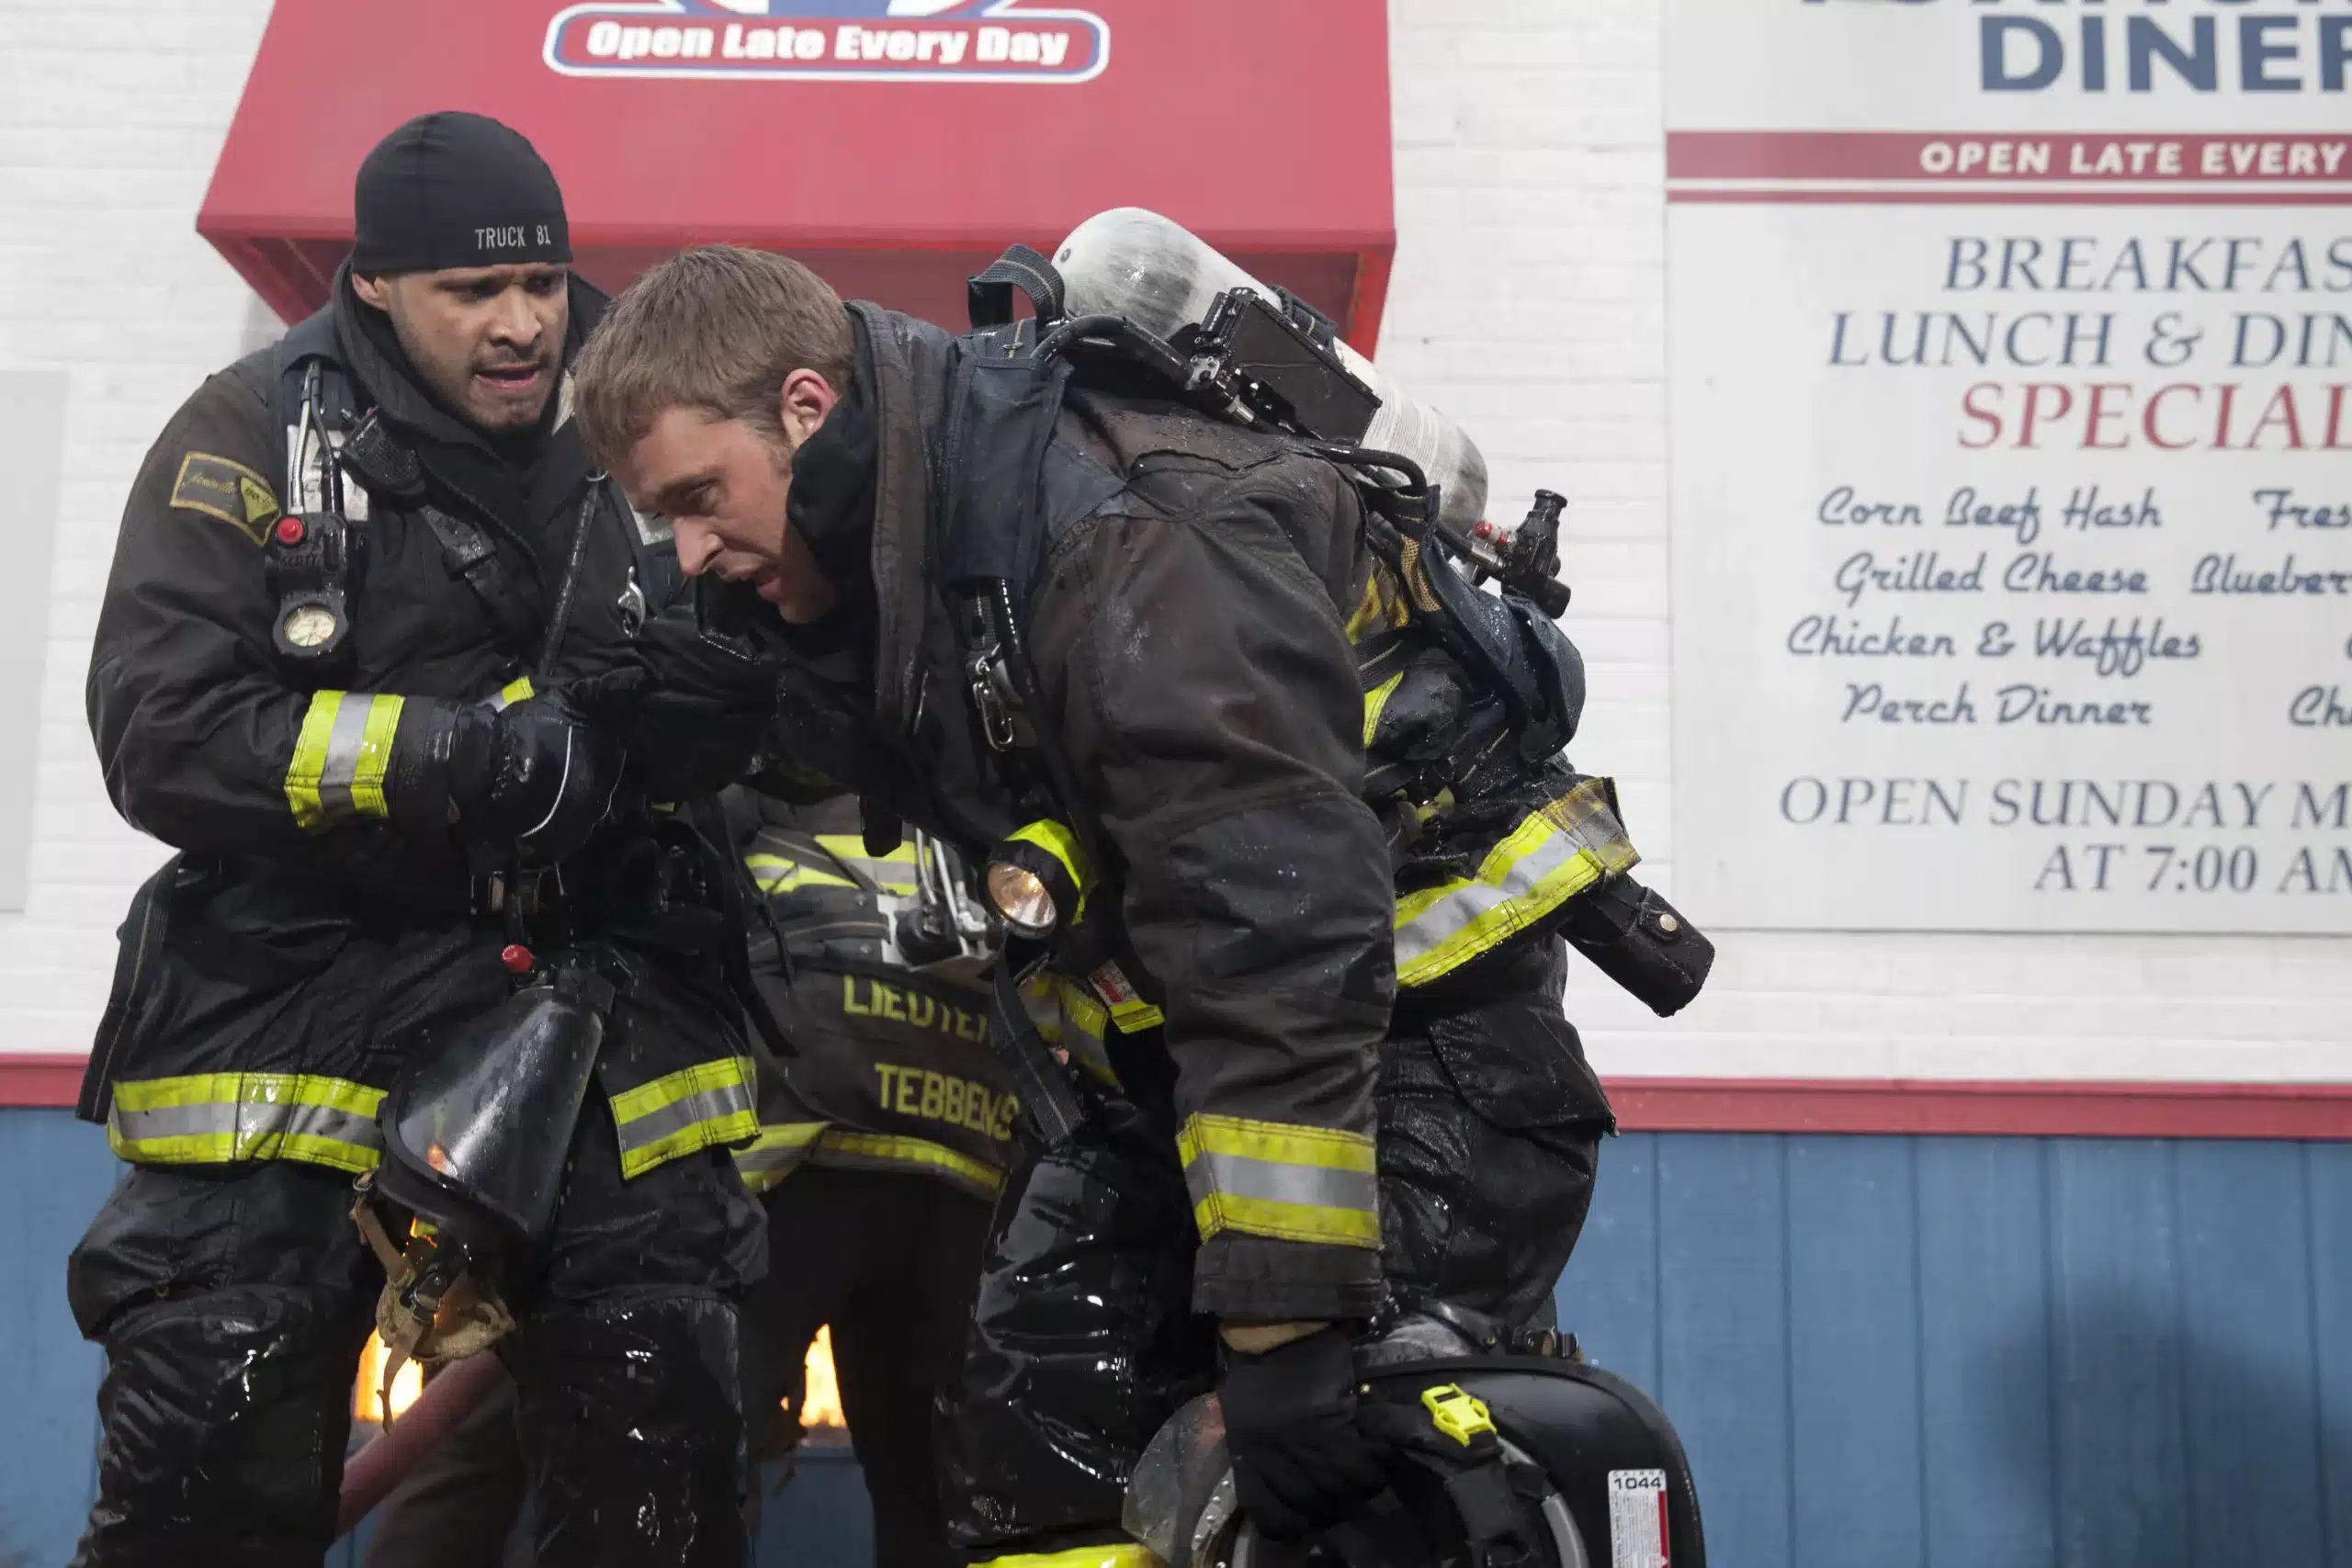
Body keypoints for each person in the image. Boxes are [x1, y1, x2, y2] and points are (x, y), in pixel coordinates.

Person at [570, 243, 1686, 1566]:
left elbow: (1273, 930)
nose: (693, 551)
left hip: (1413, 1062)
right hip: (1169, 1076)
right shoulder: (922, 549)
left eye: (700, 499)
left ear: (807, 411)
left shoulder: (1131, 542)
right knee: (1033, 1457)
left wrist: (1288, 1320)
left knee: (1350, 1476)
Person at [70, 113, 765, 1568]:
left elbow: (806, 660)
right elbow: (160, 729)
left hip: (607, 1009)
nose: (524, 326)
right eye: (473, 290)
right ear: (375, 285)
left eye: (544, 283)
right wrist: (465, 757)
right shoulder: (248, 436)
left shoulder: (650, 411)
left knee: (662, 1478)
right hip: (299, 1016)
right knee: (211, 1468)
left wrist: (733, 716)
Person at [360, 787, 1013, 1568]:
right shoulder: (917, 779)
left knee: (665, 1457)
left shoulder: (908, 782)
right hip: (800, 1174)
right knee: (635, 1453)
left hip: (843, 1176)